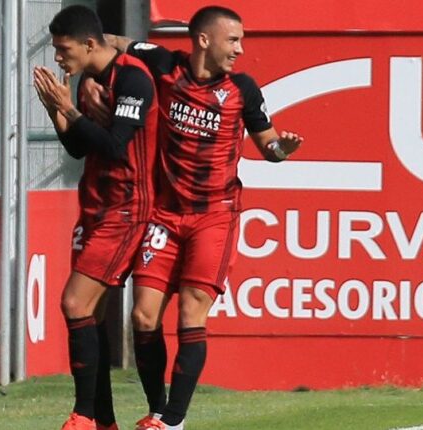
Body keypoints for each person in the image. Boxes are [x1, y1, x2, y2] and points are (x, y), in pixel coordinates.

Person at [83, 5, 304, 430]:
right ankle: (157, 408)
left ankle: (173, 420)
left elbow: (269, 145)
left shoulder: (242, 89)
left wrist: (282, 150)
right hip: (165, 216)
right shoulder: (164, 65)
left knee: (191, 309)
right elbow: (108, 43)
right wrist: (91, 80)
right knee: (143, 317)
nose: (240, 49)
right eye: (234, 40)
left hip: (214, 217)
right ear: (204, 40)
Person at [33, 5, 159, 430]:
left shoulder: (134, 79)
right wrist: (58, 112)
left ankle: (86, 416)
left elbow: (117, 146)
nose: (57, 57)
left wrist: (70, 111)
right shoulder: (90, 80)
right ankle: (103, 420)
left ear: (89, 43)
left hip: (126, 209)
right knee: (91, 315)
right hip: (95, 206)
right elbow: (79, 149)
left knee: (74, 302)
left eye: (63, 48)